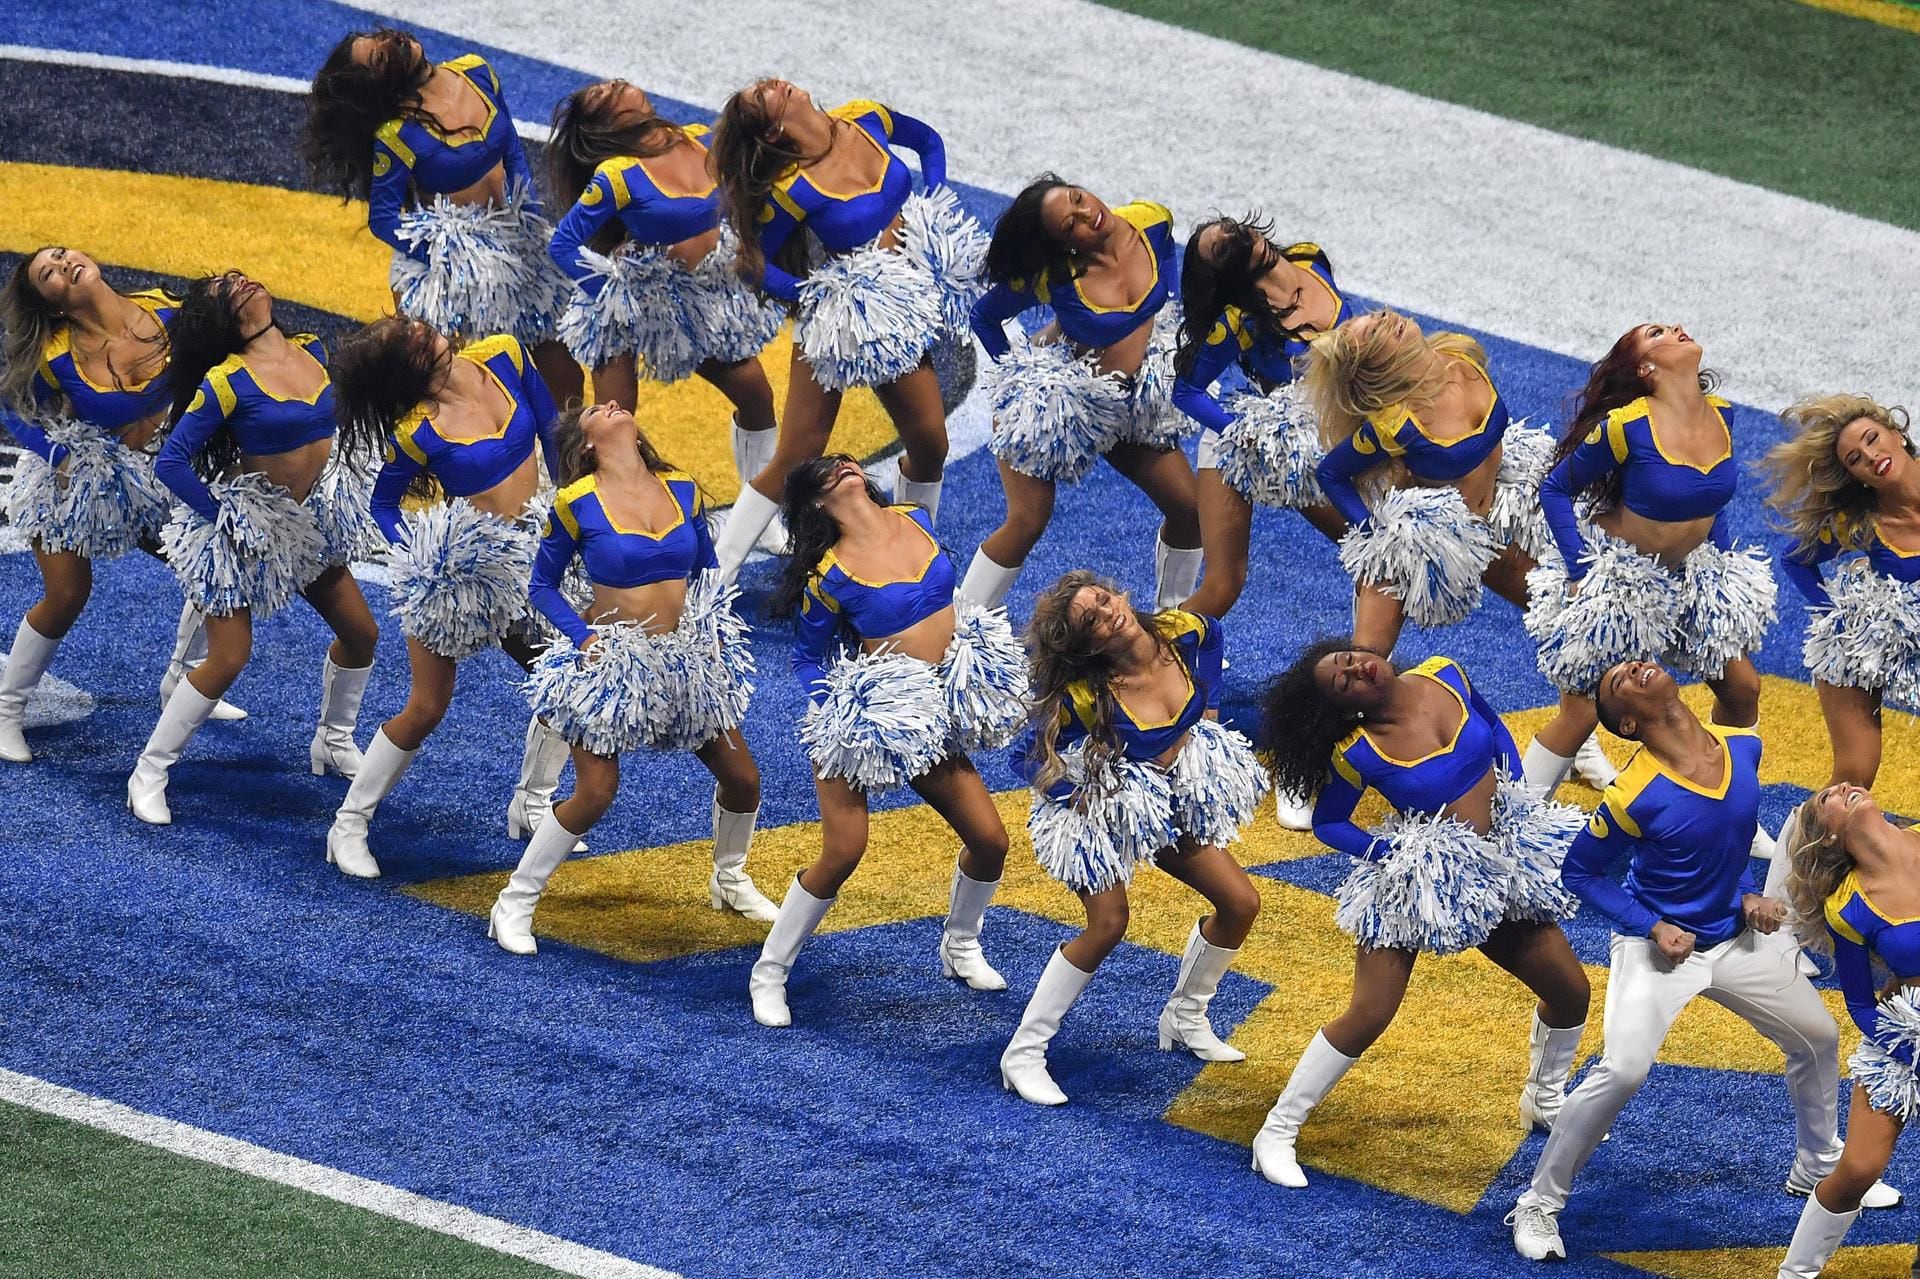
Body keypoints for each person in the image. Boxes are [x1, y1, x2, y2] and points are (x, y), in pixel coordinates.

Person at [1506, 659, 1898, 1264]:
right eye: (1619, 685)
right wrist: (1650, 924)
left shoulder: (1742, 749)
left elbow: (1727, 834)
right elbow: (1578, 872)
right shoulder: (1632, 793)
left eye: (1633, 667)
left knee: (1818, 1038)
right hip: (1656, 950)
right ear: (1630, 723)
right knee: (1625, 1069)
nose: (1635, 669)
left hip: (1734, 938)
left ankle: (1816, 1164)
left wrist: (1745, 890)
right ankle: (1538, 1201)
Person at [1249, 641, 1588, 1187]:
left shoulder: (1447, 670)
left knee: (1572, 991)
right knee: (1370, 1012)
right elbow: (1330, 824)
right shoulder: (1358, 751)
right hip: (1416, 884)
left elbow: (1493, 724)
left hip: (1496, 865)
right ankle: (1278, 1131)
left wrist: (1516, 791)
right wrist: (1397, 855)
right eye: (1344, 682)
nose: (1357, 669)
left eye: (1350, 659)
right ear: (1345, 709)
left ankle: (1544, 1099)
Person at [750, 455, 1024, 1027]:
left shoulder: (916, 517)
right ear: (818, 503)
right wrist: (850, 714)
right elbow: (807, 660)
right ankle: (770, 971)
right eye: (828, 471)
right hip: (868, 717)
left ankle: (961, 944)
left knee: (990, 839)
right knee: (844, 850)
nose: (845, 467)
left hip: (929, 712)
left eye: (848, 462)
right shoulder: (830, 575)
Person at [492, 400, 772, 953]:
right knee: (596, 791)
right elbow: (542, 585)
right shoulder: (576, 501)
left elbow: (709, 568)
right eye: (598, 409)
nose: (613, 403)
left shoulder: (682, 488)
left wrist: (713, 628)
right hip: (610, 665)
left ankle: (729, 877)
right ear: (586, 445)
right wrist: (585, 639)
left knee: (743, 780)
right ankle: (515, 901)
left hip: (683, 661)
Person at [1001, 571, 1266, 1106]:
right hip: (1093, 810)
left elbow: (1211, 644)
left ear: (1118, 591)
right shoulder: (1084, 696)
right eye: (1091, 622)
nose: (1107, 613)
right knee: (1108, 923)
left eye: (1103, 600)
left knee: (1240, 902)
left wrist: (1207, 726)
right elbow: (1027, 759)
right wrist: (1089, 796)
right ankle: (1024, 1054)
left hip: (1161, 800)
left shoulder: (1186, 633)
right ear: (1086, 646)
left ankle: (1185, 1017)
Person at [323, 319, 575, 880]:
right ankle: (349, 825)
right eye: (408, 341)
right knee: (427, 706)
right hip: (463, 575)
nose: (421, 329)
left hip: (530, 558)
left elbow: (555, 436)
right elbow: (383, 507)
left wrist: (568, 512)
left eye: (414, 326)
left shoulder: (505, 356)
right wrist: (422, 554)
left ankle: (532, 804)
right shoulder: (418, 433)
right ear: (407, 371)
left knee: (568, 678)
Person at [128, 272, 381, 824]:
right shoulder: (228, 380)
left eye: (238, 276)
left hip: (307, 526)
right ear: (221, 318)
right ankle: (149, 771)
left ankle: (333, 741)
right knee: (229, 655)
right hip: (243, 531)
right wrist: (228, 519)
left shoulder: (312, 349)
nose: (240, 282)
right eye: (225, 288)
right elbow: (171, 462)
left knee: (363, 633)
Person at [708, 80, 985, 577]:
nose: (770, 83)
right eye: (760, 96)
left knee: (930, 443)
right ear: (772, 126)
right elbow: (753, 263)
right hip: (839, 327)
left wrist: (933, 206)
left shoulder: (866, 118)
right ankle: (713, 580)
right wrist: (817, 294)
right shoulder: (794, 190)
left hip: (894, 317)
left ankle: (911, 559)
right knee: (797, 453)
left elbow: (928, 142)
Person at [0, 248, 243, 764]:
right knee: (67, 593)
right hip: (77, 487)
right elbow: (11, 405)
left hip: (158, 475)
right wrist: (55, 454)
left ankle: (183, 679)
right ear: (54, 305)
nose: (64, 264)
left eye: (63, 255)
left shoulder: (167, 310)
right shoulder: (57, 357)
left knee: (214, 562)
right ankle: (6, 712)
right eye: (49, 273)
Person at [1521, 323, 1775, 803]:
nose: (1677, 329)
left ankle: (1731, 807)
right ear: (1645, 367)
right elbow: (1555, 488)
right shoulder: (1626, 426)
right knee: (1582, 714)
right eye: (1658, 333)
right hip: (1619, 587)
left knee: (1743, 687)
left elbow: (1709, 500)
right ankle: (1512, 828)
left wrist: (1718, 567)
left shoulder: (1723, 415)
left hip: (1688, 578)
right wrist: (1580, 572)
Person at [957, 177, 1201, 613]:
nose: (1088, 214)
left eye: (1078, 199)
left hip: (1130, 407)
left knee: (1190, 510)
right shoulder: (1057, 278)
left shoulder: (1153, 221)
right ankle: (958, 626)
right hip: (1058, 407)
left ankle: (1175, 623)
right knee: (1028, 520)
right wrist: (1023, 380)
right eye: (1071, 225)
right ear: (1065, 244)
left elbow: (1168, 292)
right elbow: (985, 318)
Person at [303, 28, 581, 404]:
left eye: (379, 38)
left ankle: (566, 460)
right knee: (475, 396)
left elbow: (511, 145)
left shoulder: (477, 72)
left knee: (565, 380)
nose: (392, 42)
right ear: (380, 84)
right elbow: (383, 219)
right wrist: (450, 259)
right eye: (380, 57)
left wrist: (525, 204)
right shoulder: (397, 134)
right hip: (454, 282)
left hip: (521, 251)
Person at [544, 78, 782, 511]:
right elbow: (562, 244)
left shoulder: (697, 137)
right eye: (601, 95)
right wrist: (613, 295)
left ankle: (760, 513)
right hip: (630, 305)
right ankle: (582, 518)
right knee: (613, 422)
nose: (613, 83)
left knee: (757, 397)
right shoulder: (617, 175)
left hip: (695, 303)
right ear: (606, 126)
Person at [1305, 309, 1556, 654]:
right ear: (1375, 368)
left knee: (1567, 617)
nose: (1387, 320)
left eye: (1378, 316)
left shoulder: (1459, 352)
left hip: (1503, 519)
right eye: (1375, 334)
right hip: (1431, 544)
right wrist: (1375, 534)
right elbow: (1330, 473)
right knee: (1365, 661)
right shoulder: (1395, 424)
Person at [1170, 217, 1349, 617]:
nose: (1240, 241)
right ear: (1225, 275)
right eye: (1225, 250)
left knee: (1371, 559)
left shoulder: (1310, 258)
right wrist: (1248, 436)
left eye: (1232, 230)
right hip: (1276, 452)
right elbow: (1185, 391)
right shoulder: (1240, 322)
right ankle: (1155, 660)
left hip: (1345, 435)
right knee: (1223, 584)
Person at [1774, 785, 1920, 1276]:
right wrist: (1905, 1041)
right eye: (1827, 800)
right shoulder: (1848, 908)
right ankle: (1795, 1272)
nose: (1842, 788)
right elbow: (1858, 1001)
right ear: (1830, 837)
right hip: (1906, 1038)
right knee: (1858, 1168)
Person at [1765, 393, 1920, 788]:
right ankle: (1800, 851)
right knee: (1852, 779)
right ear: (1857, 477)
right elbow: (1794, 559)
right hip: (1858, 655)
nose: (1869, 456)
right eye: (1854, 459)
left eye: (1872, 439)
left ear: (1897, 434)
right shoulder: (1860, 522)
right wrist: (1841, 620)